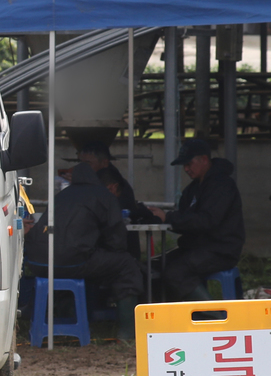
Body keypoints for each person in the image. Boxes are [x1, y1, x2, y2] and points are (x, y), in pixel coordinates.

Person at [22, 161, 143, 339]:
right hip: (72, 261)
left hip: (37, 262)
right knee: (126, 265)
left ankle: (56, 312)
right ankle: (127, 333)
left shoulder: (61, 195)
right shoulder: (103, 195)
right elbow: (117, 240)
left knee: (81, 259)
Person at [148, 138, 244, 301]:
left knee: (175, 272)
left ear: (204, 160)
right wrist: (162, 218)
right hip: (196, 248)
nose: (186, 169)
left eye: (189, 164)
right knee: (153, 266)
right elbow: (187, 219)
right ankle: (162, 314)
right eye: (184, 165)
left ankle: (212, 316)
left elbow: (206, 221)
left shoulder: (222, 185)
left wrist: (168, 218)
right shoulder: (193, 188)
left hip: (220, 250)